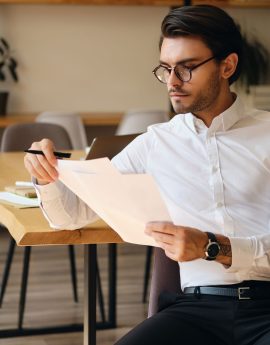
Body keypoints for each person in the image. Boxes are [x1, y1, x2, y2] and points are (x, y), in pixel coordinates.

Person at [24, 5, 270, 345]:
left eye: (186, 69)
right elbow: (73, 214)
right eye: (166, 69)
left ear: (227, 65)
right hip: (194, 311)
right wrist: (45, 174)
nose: (171, 82)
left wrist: (213, 247)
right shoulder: (155, 143)